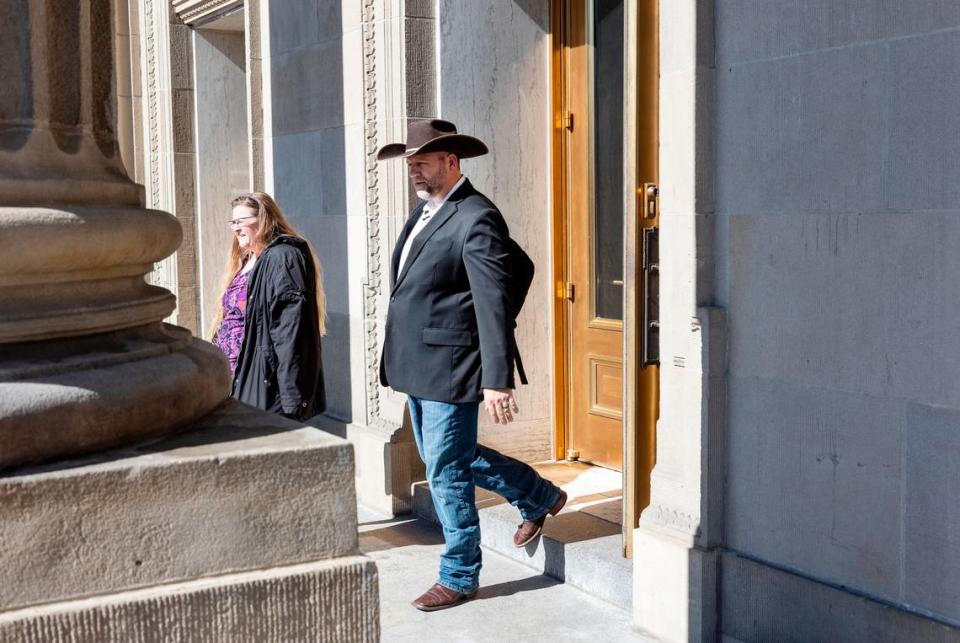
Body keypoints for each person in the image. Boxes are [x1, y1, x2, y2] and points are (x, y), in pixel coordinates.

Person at [377, 119, 567, 611]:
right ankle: (537, 493)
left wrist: (496, 376)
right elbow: (518, 266)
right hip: (418, 364)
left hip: (451, 367)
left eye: (423, 161)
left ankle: (460, 573)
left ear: (452, 161)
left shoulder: (475, 215)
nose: (414, 169)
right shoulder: (428, 211)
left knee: (445, 470)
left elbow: (492, 297)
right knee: (450, 457)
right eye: (411, 162)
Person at [211, 192, 326, 421]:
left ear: (263, 219)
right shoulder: (245, 259)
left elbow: (290, 330)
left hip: (260, 378)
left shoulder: (283, 258)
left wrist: (291, 397)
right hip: (233, 376)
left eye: (242, 221)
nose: (236, 228)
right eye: (233, 222)